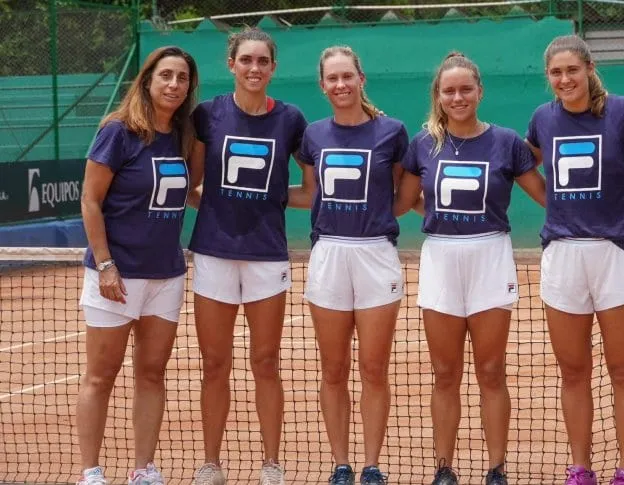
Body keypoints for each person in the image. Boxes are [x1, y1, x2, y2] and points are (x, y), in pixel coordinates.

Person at [394, 52, 546, 485]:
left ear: (480, 91)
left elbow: (548, 196)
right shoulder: (422, 145)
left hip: (490, 256)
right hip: (440, 257)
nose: (457, 97)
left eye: (465, 89)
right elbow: (403, 202)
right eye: (449, 91)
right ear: (438, 97)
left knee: (492, 369)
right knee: (445, 373)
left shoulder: (507, 142)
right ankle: (444, 467)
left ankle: (496, 467)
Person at [525, 34, 624, 485]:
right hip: (562, 256)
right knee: (574, 370)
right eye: (556, 73)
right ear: (549, 77)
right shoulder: (542, 118)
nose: (565, 79)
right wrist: (554, 203)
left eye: (572, 70)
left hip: (617, 253)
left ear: (589, 68)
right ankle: (580, 468)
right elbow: (528, 166)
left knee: (623, 369)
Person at [187, 27, 308, 485]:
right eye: (246, 60)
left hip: (267, 256)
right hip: (215, 254)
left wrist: (273, 199)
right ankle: (211, 463)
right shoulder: (208, 115)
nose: (254, 68)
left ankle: (271, 463)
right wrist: (218, 205)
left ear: (273, 68)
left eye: (262, 61)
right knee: (215, 363)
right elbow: (193, 184)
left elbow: (310, 190)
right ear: (231, 65)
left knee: (266, 361)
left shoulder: (291, 119)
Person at [76, 46, 199, 485]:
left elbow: (188, 192)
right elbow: (90, 200)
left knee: (151, 374)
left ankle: (143, 470)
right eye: (165, 75)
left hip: (166, 276)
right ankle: (91, 472)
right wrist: (106, 265)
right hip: (117, 276)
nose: (173, 85)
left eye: (181, 78)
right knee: (100, 376)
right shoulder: (118, 131)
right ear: (147, 80)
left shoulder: (184, 135)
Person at [292, 45, 409, 485]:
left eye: (347, 76)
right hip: (328, 256)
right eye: (332, 79)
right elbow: (307, 193)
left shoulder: (392, 131)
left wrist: (376, 220)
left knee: (374, 369)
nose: (340, 85)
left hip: (377, 253)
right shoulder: (313, 136)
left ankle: (372, 464)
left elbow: (403, 194)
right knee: (333, 369)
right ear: (323, 86)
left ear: (362, 78)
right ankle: (341, 464)